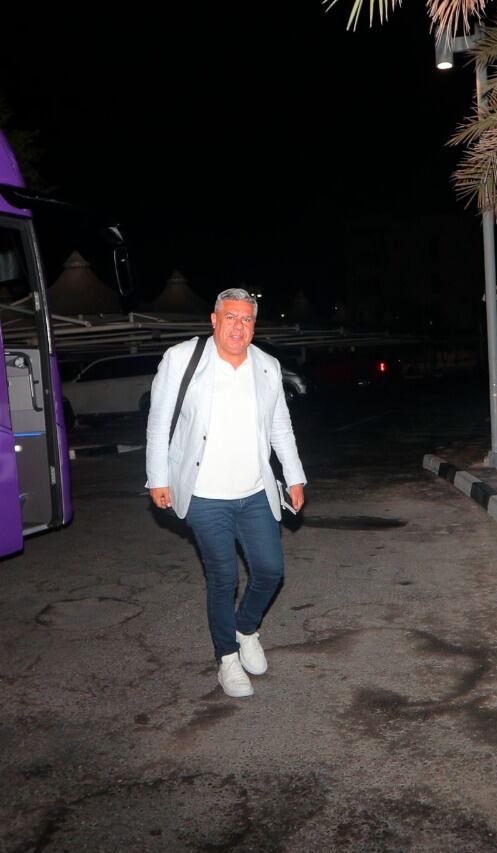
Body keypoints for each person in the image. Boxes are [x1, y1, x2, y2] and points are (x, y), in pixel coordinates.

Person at [145, 287, 307, 698]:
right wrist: (157, 477)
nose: (239, 326)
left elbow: (279, 428)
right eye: (231, 317)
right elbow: (159, 422)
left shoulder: (267, 366)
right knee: (222, 577)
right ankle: (227, 659)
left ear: (255, 325)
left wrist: (294, 476)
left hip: (254, 490)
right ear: (214, 320)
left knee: (270, 570)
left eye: (247, 319)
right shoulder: (182, 359)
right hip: (204, 494)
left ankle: (246, 628)